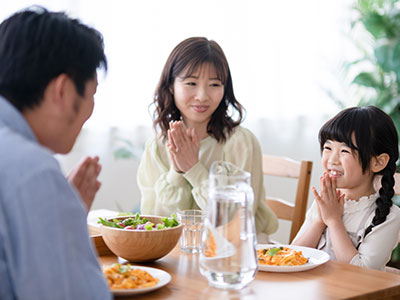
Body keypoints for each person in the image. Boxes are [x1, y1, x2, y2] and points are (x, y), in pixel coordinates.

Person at [0, 7, 111, 299]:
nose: (91, 108)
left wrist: (63, 212)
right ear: (62, 90)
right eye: (92, 93)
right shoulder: (33, 171)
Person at [138, 37, 278, 242]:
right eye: (191, 83)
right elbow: (155, 221)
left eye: (214, 84)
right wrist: (176, 172)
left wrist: (193, 169)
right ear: (170, 86)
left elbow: (235, 219)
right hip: (176, 255)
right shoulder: (157, 146)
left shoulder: (241, 142)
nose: (202, 96)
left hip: (236, 256)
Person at [292, 106, 400, 270]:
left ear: (377, 162)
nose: (332, 160)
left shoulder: (390, 216)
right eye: (328, 148)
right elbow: (293, 255)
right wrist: (320, 220)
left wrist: (334, 221)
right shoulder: (327, 201)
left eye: (344, 150)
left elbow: (362, 272)